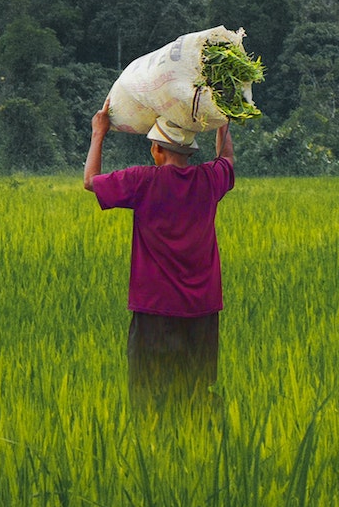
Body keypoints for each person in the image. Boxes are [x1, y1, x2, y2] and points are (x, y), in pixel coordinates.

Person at [84, 100, 235, 411]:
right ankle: (204, 436)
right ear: (189, 151)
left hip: (154, 308)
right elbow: (227, 159)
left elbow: (90, 182)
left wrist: (98, 133)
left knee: (149, 395)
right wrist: (222, 121)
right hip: (202, 309)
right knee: (196, 392)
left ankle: (157, 439)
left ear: (157, 150)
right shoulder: (209, 179)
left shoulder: (142, 180)